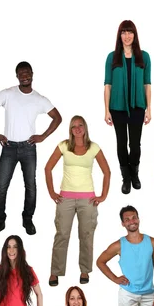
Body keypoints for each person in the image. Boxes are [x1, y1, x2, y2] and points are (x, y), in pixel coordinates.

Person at [0, 61, 62, 238]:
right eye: (21, 73)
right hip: (8, 146)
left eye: (27, 72)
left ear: (32, 74)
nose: (24, 76)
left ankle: (28, 219)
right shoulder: (8, 93)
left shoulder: (39, 99)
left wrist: (43, 136)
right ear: (17, 76)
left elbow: (57, 118)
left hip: (28, 148)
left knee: (31, 186)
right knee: (1, 186)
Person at [45, 115, 111, 287]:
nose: (77, 129)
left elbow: (107, 172)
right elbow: (48, 168)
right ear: (70, 129)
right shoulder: (64, 146)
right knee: (62, 235)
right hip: (65, 198)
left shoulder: (93, 147)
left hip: (87, 200)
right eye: (74, 126)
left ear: (85, 127)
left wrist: (103, 195)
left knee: (86, 236)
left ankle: (84, 270)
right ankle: (55, 272)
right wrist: (52, 192)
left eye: (80, 125)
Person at [104, 20, 151, 193]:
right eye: (123, 32)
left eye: (130, 32)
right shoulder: (112, 56)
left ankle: (134, 174)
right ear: (119, 35)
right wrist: (106, 110)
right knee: (122, 143)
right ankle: (125, 178)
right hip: (117, 107)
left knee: (136, 144)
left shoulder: (143, 56)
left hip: (138, 107)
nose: (127, 36)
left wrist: (149, 108)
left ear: (135, 35)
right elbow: (107, 84)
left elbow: (147, 84)